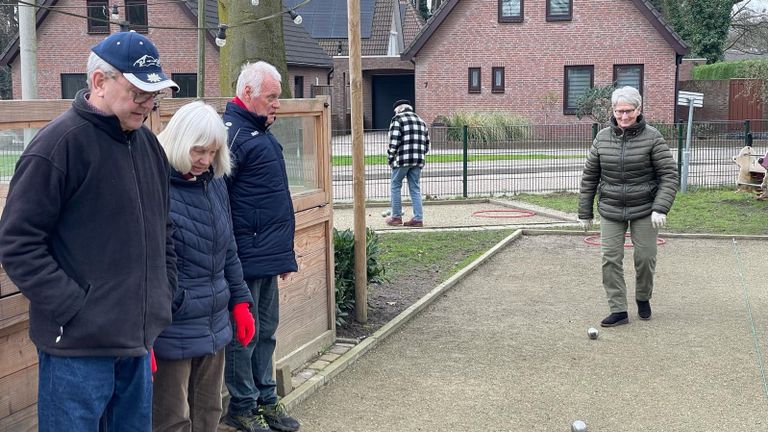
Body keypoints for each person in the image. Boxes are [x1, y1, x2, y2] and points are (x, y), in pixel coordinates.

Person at [0, 31, 179, 431]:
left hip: (136, 343)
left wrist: (164, 292)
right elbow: (17, 243)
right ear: (99, 82)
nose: (148, 104)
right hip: (77, 350)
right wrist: (75, 308)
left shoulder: (149, 146)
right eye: (139, 93)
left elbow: (163, 227)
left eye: (153, 95)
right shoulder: (57, 146)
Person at [151, 101, 256, 432]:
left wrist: (240, 302)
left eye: (212, 152)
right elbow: (147, 265)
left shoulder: (214, 182)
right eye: (199, 151)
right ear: (180, 141)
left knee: (210, 410)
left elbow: (228, 249)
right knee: (172, 419)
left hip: (214, 319)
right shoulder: (156, 186)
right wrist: (145, 331)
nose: (205, 160)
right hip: (174, 324)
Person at [222, 61, 300, 432]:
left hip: (266, 256)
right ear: (248, 92)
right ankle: (242, 406)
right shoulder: (233, 135)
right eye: (271, 97)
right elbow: (219, 201)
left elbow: (270, 201)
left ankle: (267, 399)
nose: (277, 104)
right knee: (245, 336)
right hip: (243, 258)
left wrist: (282, 255)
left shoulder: (259, 133)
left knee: (266, 332)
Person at [578, 86, 678, 328]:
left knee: (645, 258)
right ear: (613, 111)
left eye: (628, 111)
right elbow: (590, 177)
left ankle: (643, 297)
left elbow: (668, 175)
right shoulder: (602, 138)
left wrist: (660, 208)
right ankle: (618, 309)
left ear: (638, 110)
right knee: (610, 259)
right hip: (611, 208)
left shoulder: (653, 137)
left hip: (645, 207)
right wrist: (585, 212)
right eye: (619, 111)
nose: (623, 116)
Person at [385, 99, 430, 227]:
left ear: (398, 109)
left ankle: (396, 217)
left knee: (395, 186)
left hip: (402, 160)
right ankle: (418, 218)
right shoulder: (421, 121)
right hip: (418, 160)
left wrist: (390, 158)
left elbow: (394, 142)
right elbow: (427, 144)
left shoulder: (397, 119)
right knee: (415, 188)